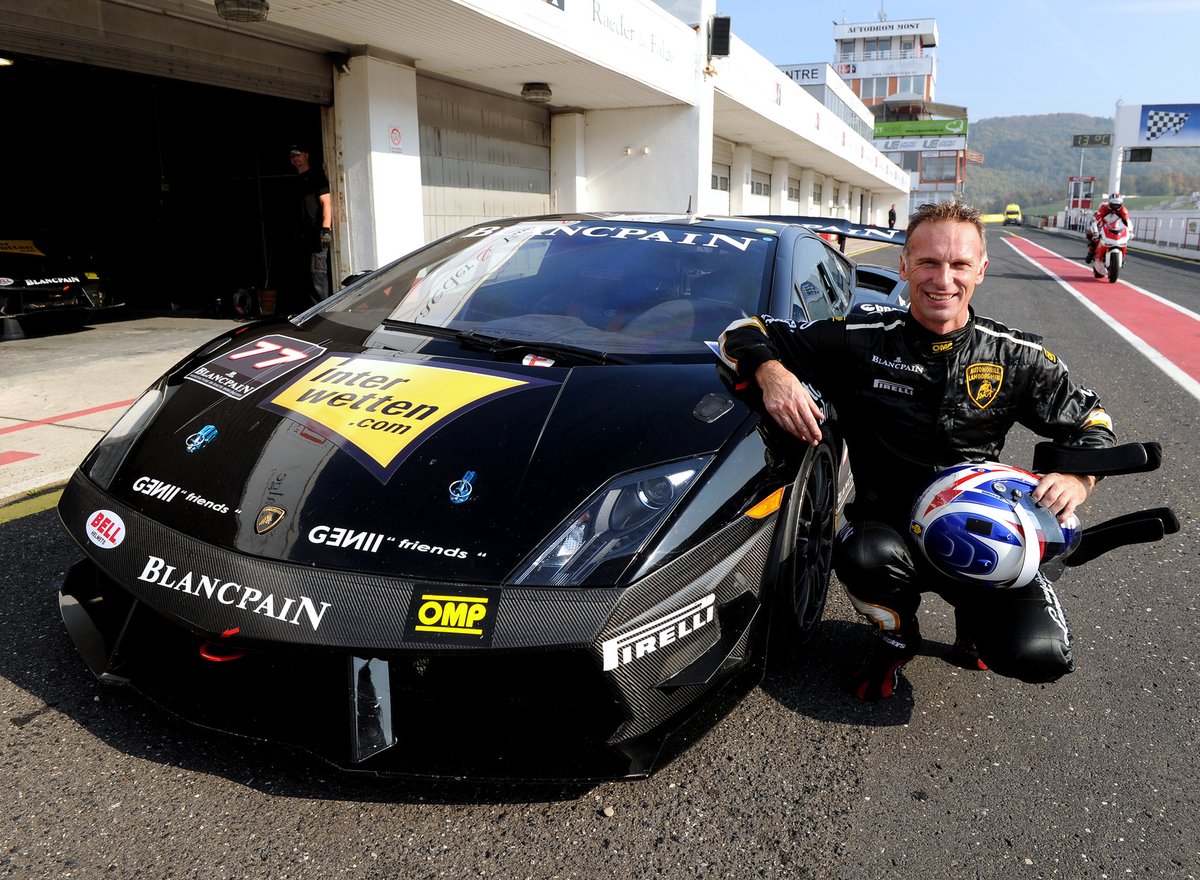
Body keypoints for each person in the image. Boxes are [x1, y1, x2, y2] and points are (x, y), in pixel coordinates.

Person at [718, 200, 1115, 700]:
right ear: (903, 266)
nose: (942, 279)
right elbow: (743, 333)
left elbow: (1092, 422)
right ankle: (898, 636)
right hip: (887, 533)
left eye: (959, 264)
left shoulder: (1017, 355)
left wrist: (1077, 479)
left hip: (981, 534)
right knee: (863, 556)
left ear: (981, 271)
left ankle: (976, 620)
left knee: (1040, 655)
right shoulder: (858, 339)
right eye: (927, 262)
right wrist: (771, 374)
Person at [288, 143, 333, 306]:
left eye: (298, 154)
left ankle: (323, 313)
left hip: (317, 237)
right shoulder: (296, 181)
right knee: (305, 277)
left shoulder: (317, 176)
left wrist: (326, 230)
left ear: (306, 155)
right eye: (293, 156)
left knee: (317, 276)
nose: (295, 158)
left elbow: (326, 203)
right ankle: (309, 315)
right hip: (302, 237)